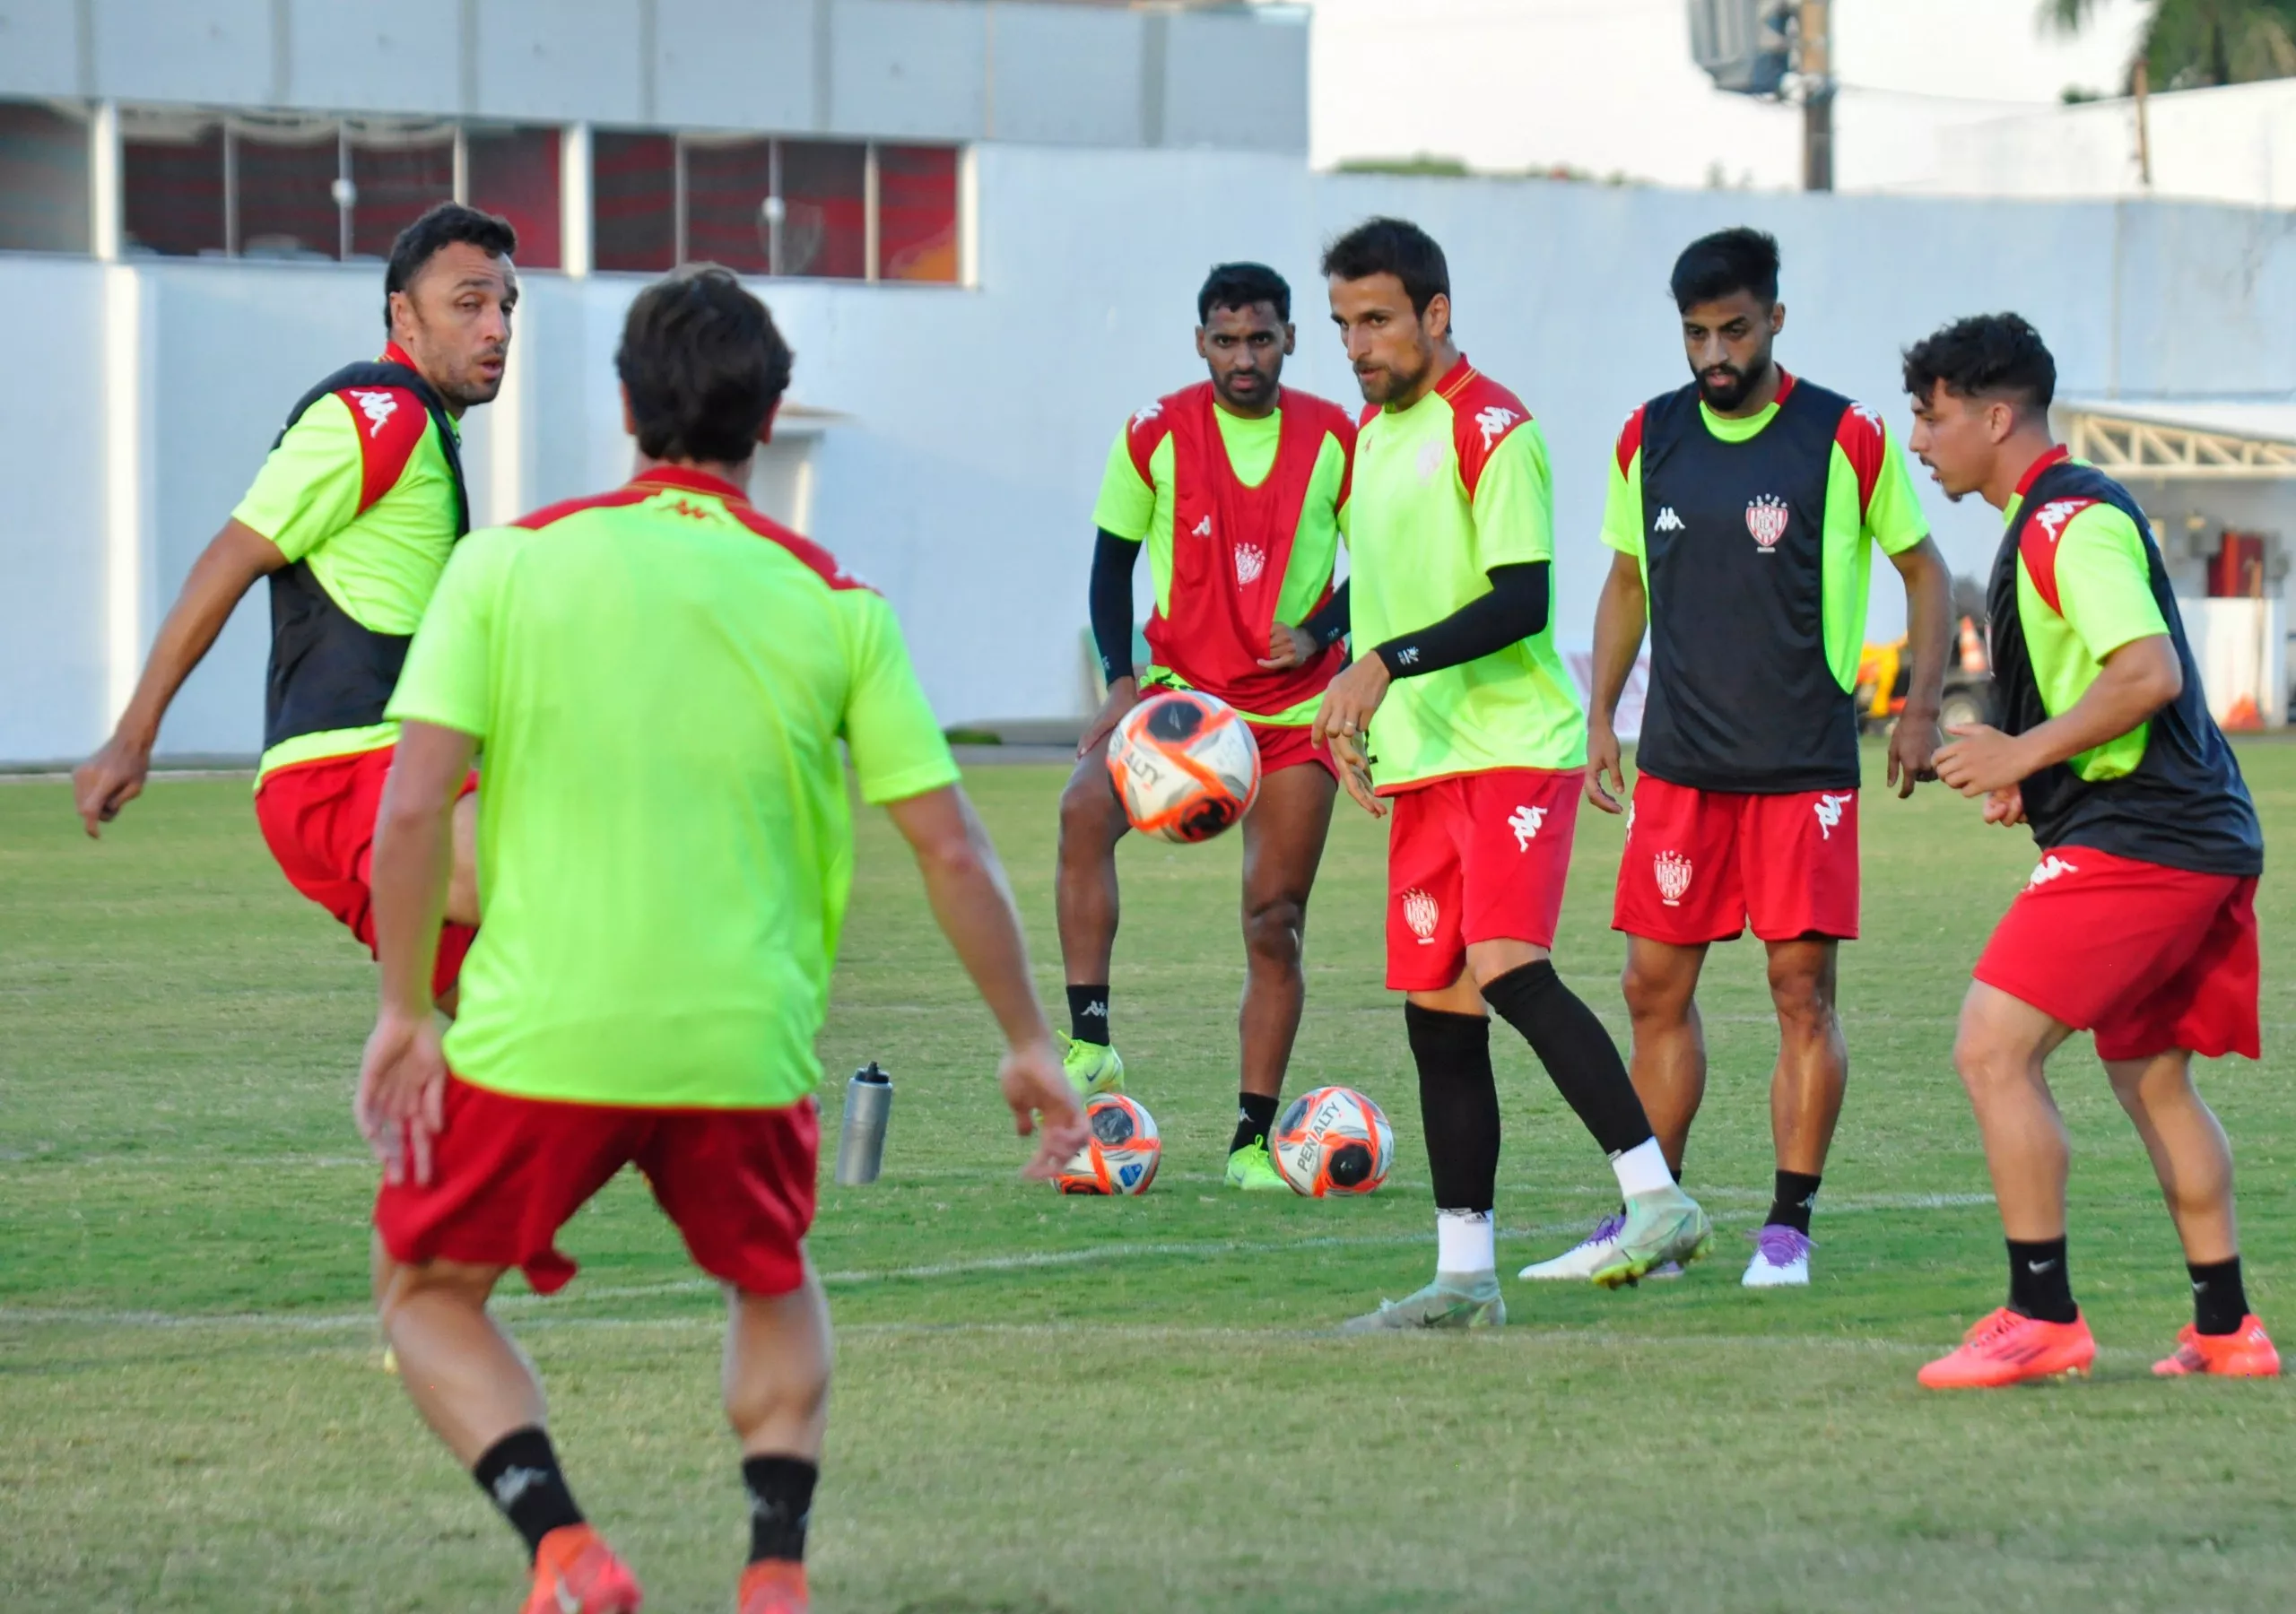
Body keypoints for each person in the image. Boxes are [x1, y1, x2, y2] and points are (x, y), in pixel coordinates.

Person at [352, 266, 1088, 1614]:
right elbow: (952, 849)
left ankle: (567, 1552)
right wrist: (1032, 1044)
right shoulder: (835, 605)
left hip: (540, 1038)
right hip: (743, 1044)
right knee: (773, 1274)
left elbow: (408, 813)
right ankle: (772, 1571)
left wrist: (406, 1011)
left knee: (426, 1292)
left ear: (626, 407)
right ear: (771, 417)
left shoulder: (506, 566)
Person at [1527, 227, 1954, 1289]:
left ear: (1774, 318)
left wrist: (1918, 706)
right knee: (1648, 988)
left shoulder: (1841, 434)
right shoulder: (1649, 435)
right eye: (1695, 335)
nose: (1713, 354)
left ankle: (1786, 1230)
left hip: (1802, 767)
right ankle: (1654, 1216)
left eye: (1733, 330)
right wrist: (1598, 724)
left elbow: (1926, 568)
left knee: (1799, 992)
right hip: (1678, 764)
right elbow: (1626, 580)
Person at [1313, 217, 1711, 1330]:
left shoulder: (1496, 427)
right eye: (1345, 325)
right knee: (1437, 1015)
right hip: (1426, 762)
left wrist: (1385, 663)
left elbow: (1519, 596)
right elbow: (1390, 594)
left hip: (1511, 749)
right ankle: (1462, 1278)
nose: (1358, 345)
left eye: (1378, 320)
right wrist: (1343, 693)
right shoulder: (1372, 438)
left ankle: (1655, 1198)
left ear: (1436, 315)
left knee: (1503, 965)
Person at [1904, 312, 2276, 1389]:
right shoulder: (2044, 520)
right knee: (2151, 1076)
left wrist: (2024, 748)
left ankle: (2041, 1315)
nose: (1922, 444)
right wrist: (2036, 774)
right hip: (2181, 832)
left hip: (2152, 843)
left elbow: (2148, 673)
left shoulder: (2068, 523)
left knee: (1991, 1047)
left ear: (1993, 414)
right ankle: (2226, 1329)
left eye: (1930, 420)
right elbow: (2111, 698)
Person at [74, 202, 517, 1009]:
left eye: (505, 307)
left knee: (535, 1031)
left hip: (381, 774)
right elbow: (229, 558)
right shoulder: (377, 415)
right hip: (349, 772)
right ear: (402, 315)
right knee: (584, 878)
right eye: (469, 303)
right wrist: (131, 740)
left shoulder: (424, 431)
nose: (496, 328)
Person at [1063, 262, 1356, 1190]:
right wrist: (1119, 683)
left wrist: (1321, 629)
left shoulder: (1337, 436)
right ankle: (1092, 1040)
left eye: (1260, 338)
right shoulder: (1154, 431)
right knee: (1078, 811)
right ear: (1200, 342)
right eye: (1225, 340)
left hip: (1291, 713)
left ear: (1290, 340)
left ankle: (1251, 1144)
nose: (1243, 357)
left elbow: (1381, 567)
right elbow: (1109, 570)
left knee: (1275, 922)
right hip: (1178, 706)